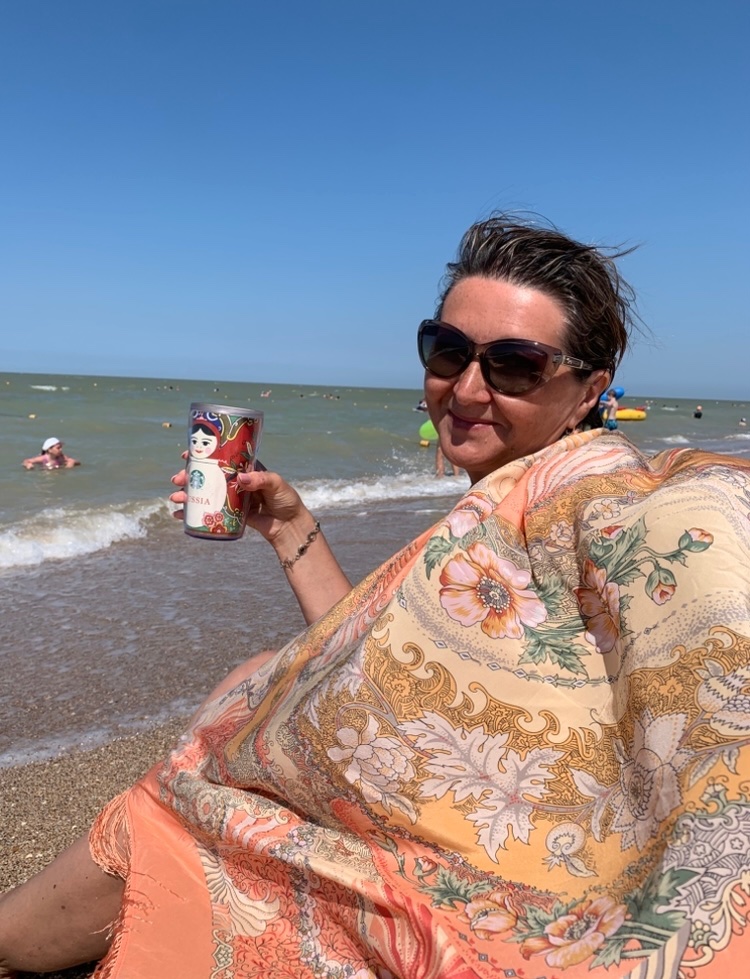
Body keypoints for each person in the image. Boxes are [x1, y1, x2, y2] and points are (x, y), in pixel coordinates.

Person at [3, 214, 750, 978]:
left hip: (504, 884)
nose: (466, 388)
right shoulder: (504, 503)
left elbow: (678, 542)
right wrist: (290, 527)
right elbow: (385, 653)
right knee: (257, 674)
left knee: (190, 784)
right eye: (447, 350)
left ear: (590, 389)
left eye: (515, 365)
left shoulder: (585, 493)